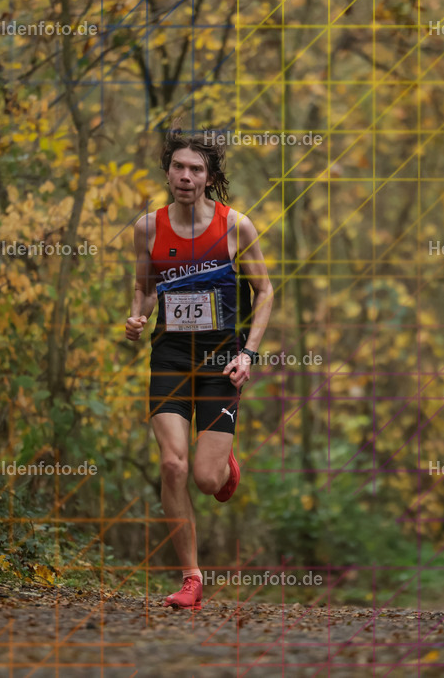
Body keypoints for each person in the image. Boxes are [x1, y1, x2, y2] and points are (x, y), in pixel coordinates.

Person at [125, 124, 273, 610]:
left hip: (219, 360)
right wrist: (138, 316)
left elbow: (265, 292)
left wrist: (247, 353)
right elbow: (145, 286)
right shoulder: (148, 227)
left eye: (196, 169)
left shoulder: (236, 227)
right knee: (172, 464)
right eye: (178, 167)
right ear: (167, 171)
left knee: (207, 480)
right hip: (170, 356)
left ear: (208, 177)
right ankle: (191, 578)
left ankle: (224, 466)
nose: (185, 176)